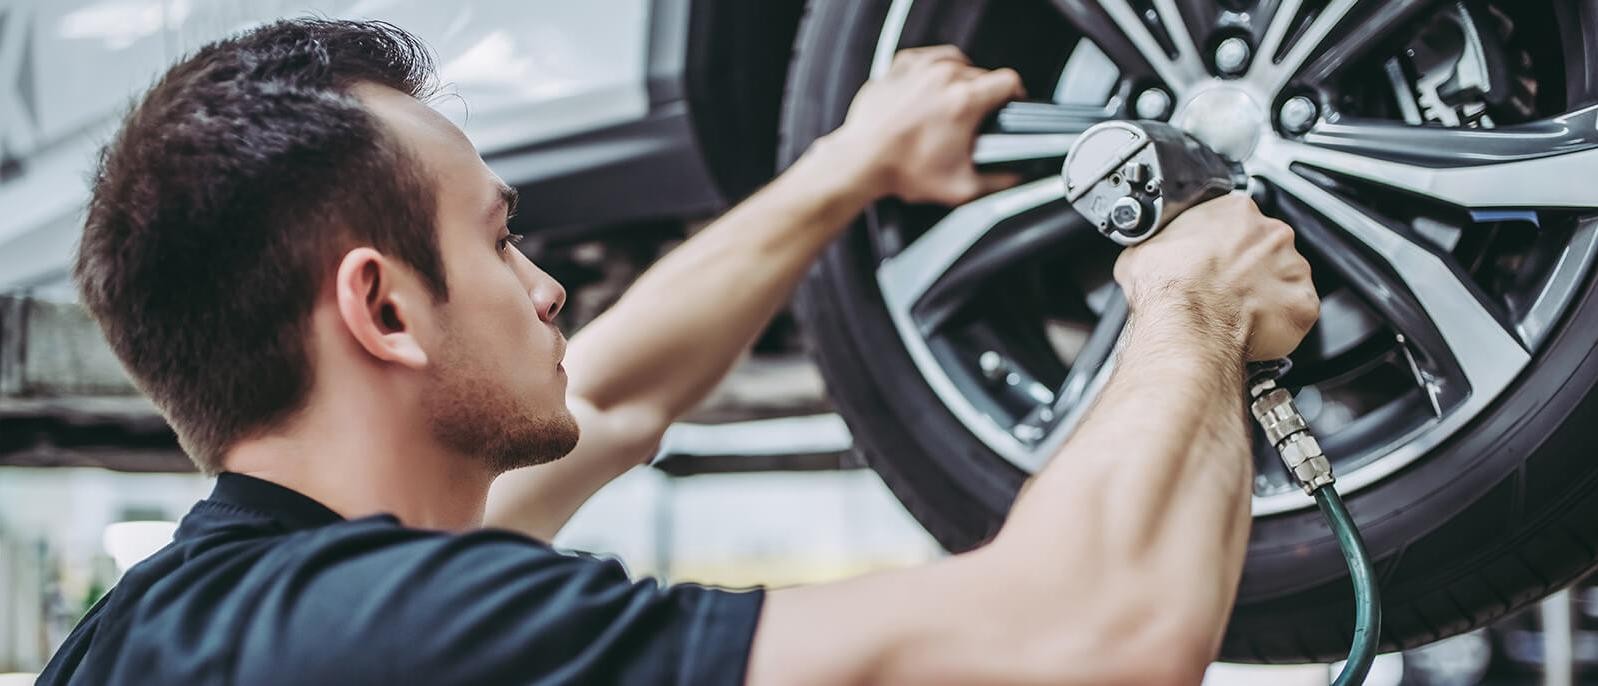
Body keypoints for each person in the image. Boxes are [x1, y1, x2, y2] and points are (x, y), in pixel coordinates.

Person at [38, 17, 1318, 686]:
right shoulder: (370, 634)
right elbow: (1085, 635)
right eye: (498, 241)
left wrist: (845, 166)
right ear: (381, 311)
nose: (546, 288)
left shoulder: (206, 618)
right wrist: (1188, 301)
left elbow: (617, 390)